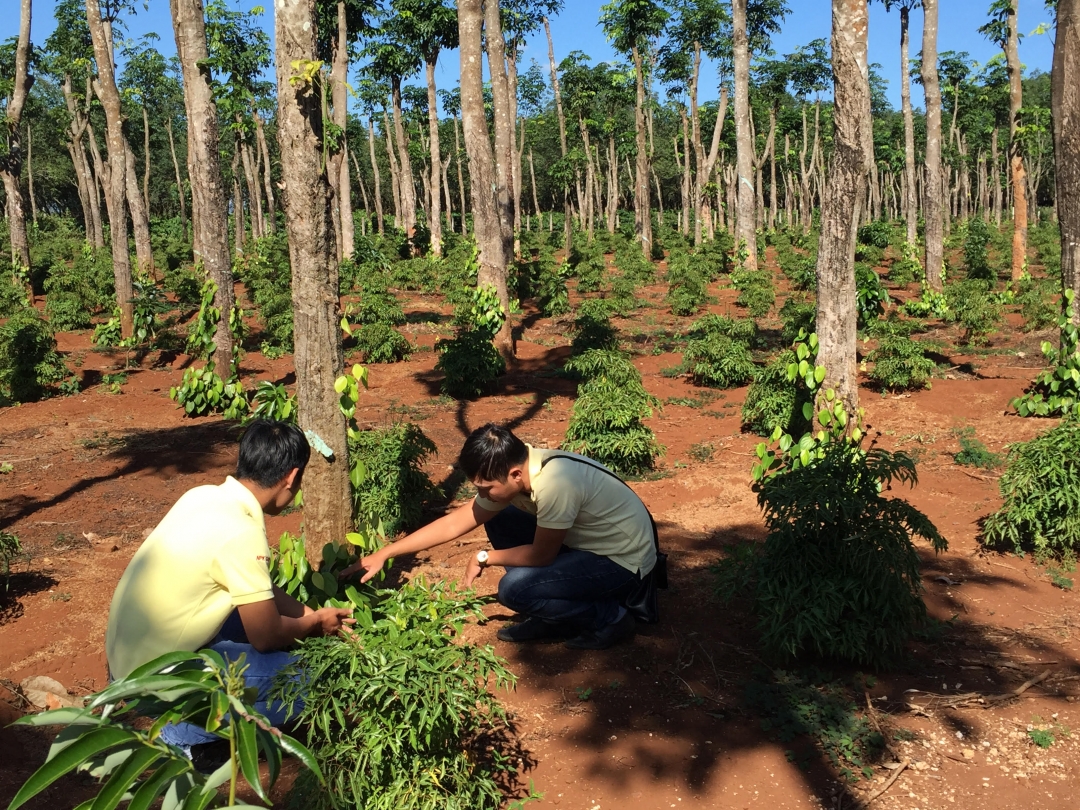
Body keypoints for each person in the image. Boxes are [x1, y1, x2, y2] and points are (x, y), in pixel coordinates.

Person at [104, 420, 353, 754]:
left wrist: (310, 614)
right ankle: (185, 728)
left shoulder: (204, 496)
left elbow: (259, 589)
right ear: (292, 477)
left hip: (127, 663)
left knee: (252, 618)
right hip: (159, 680)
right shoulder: (242, 531)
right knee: (322, 679)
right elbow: (266, 637)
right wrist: (317, 624)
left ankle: (186, 713)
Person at [341, 423, 656, 650]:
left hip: (623, 562)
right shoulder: (518, 471)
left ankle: (610, 617)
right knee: (502, 515)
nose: (482, 494)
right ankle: (550, 614)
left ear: (515, 474)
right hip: (586, 543)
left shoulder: (555, 484)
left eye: (485, 487)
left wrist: (484, 557)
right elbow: (455, 523)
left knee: (514, 590)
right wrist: (387, 553)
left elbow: (541, 556)